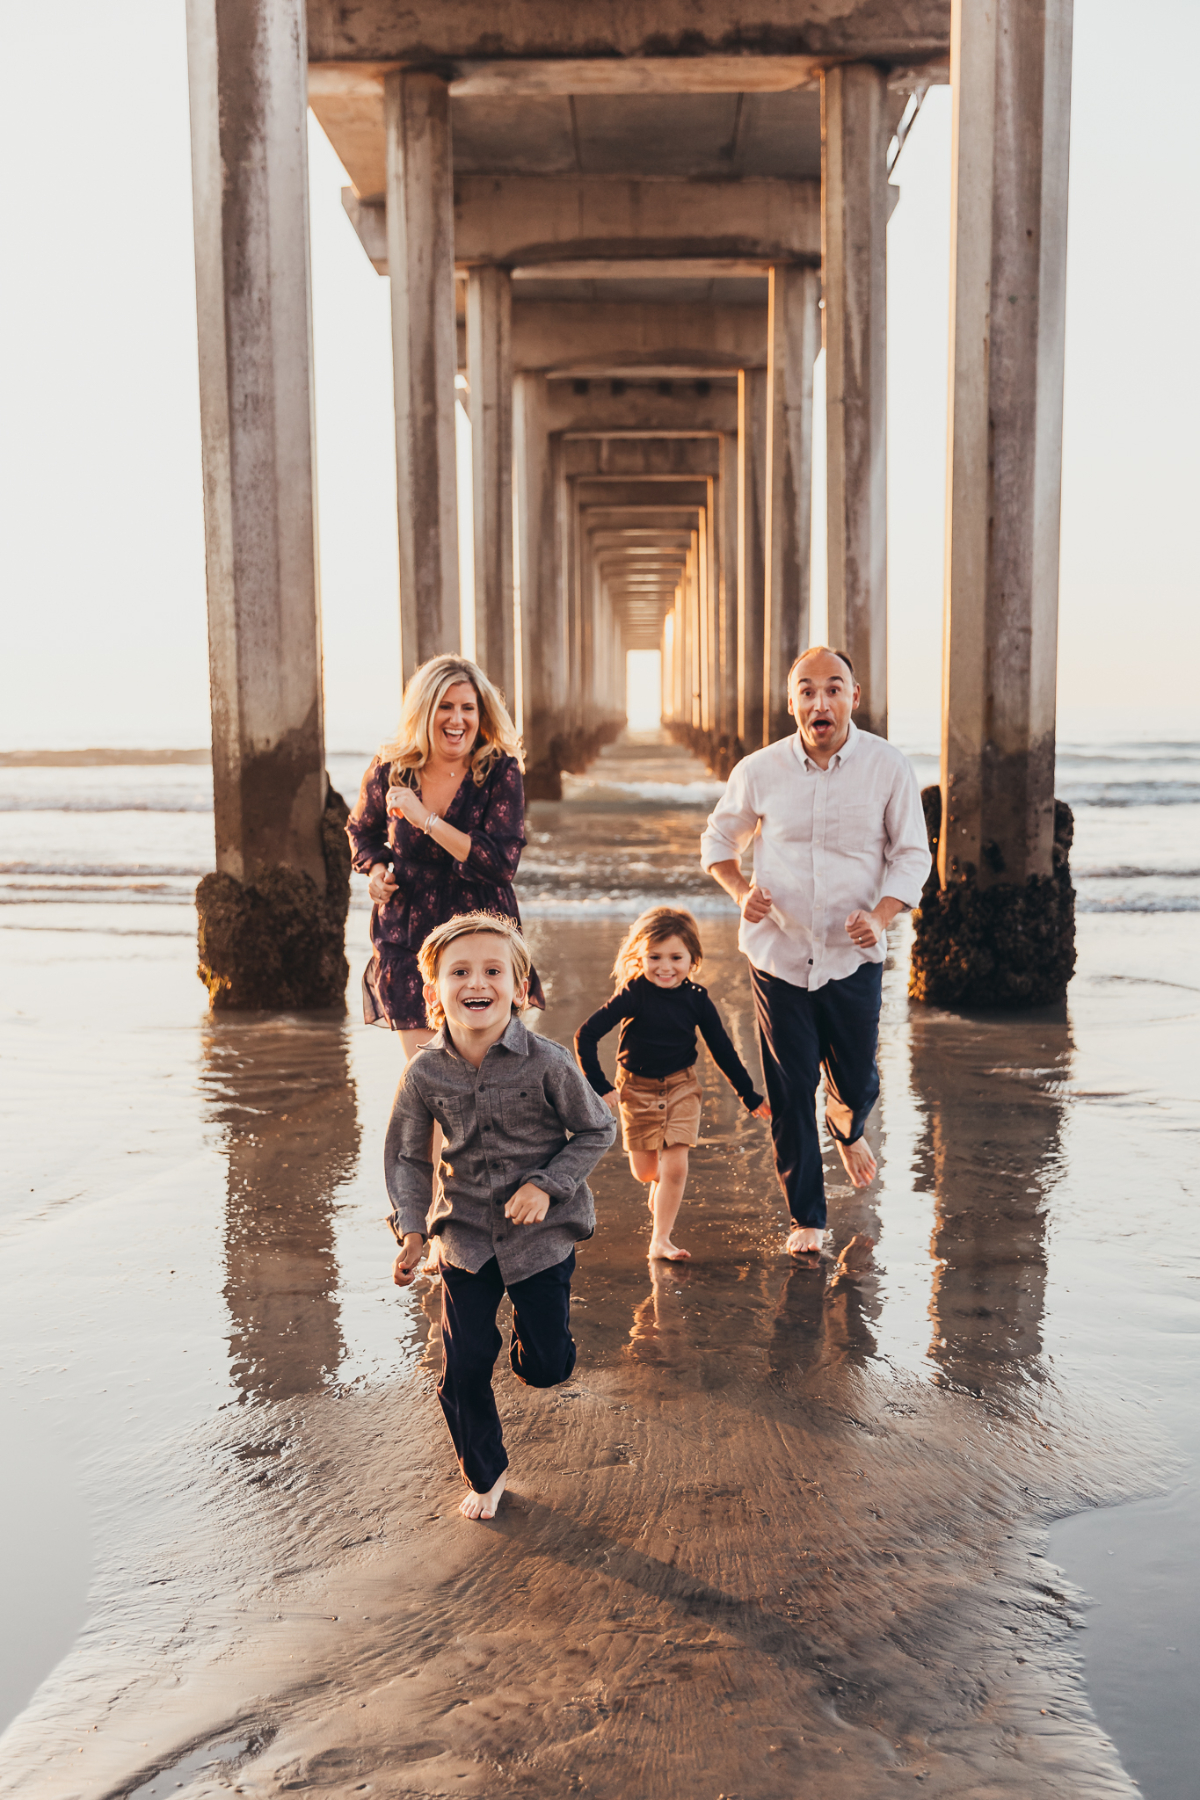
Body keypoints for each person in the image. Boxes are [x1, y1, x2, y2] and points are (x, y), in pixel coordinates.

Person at [700, 648, 931, 1261]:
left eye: (833, 689)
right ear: (791, 701)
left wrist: (881, 915)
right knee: (790, 1082)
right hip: (778, 952)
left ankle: (847, 1118)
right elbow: (719, 840)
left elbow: (913, 854)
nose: (819, 702)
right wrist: (741, 891)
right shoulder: (759, 770)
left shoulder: (887, 767)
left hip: (853, 956)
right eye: (806, 690)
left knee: (855, 1080)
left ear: (855, 697)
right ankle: (807, 1216)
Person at [385, 912, 616, 1521]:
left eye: (493, 970)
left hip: (539, 1238)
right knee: (461, 1365)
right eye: (459, 972)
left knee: (545, 1367)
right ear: (433, 990)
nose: (476, 982)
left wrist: (548, 1184)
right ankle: (485, 1472)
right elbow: (408, 1154)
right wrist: (412, 1230)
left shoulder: (548, 1061)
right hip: (462, 1236)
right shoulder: (424, 1071)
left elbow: (597, 1128)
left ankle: (538, 1345)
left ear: (519, 988)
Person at [346, 654, 544, 1057]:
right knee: (428, 1080)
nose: (457, 720)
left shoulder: (499, 772)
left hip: (480, 939)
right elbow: (361, 832)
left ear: (480, 713)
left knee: (480, 1079)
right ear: (424, 710)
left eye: (467, 708)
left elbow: (500, 863)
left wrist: (426, 820)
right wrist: (379, 870)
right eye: (445, 706)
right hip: (407, 937)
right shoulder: (390, 769)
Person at [574, 906, 770, 1263]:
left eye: (676, 957)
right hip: (636, 1089)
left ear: (693, 958)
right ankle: (660, 1188)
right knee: (647, 1171)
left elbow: (722, 1049)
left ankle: (660, 1240)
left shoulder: (697, 999)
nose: (665, 967)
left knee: (676, 1164)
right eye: (655, 957)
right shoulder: (634, 993)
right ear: (641, 956)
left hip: (682, 1087)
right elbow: (585, 1035)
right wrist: (600, 1086)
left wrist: (749, 1094)